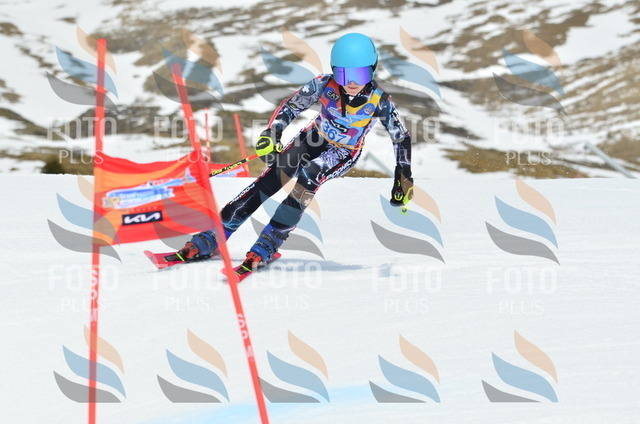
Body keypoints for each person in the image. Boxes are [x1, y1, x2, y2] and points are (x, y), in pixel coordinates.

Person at [178, 32, 414, 270]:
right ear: (334, 70)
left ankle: (269, 242)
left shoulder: (380, 101)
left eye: (360, 74)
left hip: (344, 151)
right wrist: (272, 133)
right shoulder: (324, 84)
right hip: (314, 137)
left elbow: (401, 137)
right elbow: (291, 106)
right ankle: (213, 235)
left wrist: (403, 175)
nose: (352, 82)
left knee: (310, 175)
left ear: (372, 70)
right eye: (343, 74)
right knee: (273, 176)